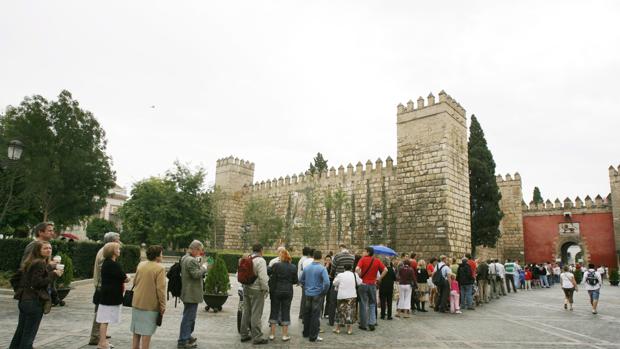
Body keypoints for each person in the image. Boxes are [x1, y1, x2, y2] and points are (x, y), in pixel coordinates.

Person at [10, 241, 62, 349]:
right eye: (45, 248)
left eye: (50, 248)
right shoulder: (40, 263)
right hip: (34, 302)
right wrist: (54, 274)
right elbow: (37, 283)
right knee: (28, 337)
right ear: (38, 251)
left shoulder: (30, 262)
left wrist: (22, 291)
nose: (48, 250)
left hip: (24, 301)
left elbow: (14, 279)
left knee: (20, 333)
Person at [89, 232, 121, 346]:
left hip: (102, 286)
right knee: (100, 313)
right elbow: (106, 272)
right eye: (117, 240)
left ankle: (101, 334)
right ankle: (96, 336)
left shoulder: (105, 251)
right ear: (112, 241)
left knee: (102, 313)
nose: (119, 242)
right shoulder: (105, 253)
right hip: (102, 287)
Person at [131, 245, 166, 349]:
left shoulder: (141, 265)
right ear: (157, 256)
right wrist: (163, 305)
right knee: (146, 332)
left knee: (136, 331)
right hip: (150, 305)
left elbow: (135, 281)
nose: (162, 255)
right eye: (161, 254)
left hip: (137, 302)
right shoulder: (160, 268)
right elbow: (160, 289)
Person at [97, 242, 130, 349]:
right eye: (118, 249)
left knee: (105, 320)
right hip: (110, 296)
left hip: (107, 294)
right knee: (105, 320)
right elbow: (124, 277)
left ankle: (103, 342)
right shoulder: (113, 264)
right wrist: (128, 277)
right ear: (113, 251)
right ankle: (102, 343)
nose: (119, 251)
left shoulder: (107, 263)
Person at [178, 240, 207, 348]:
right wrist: (204, 267)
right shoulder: (191, 260)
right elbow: (196, 275)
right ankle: (183, 340)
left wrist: (201, 265)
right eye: (200, 250)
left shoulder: (186, 258)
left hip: (188, 292)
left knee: (189, 316)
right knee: (188, 317)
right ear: (194, 249)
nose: (200, 252)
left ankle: (187, 335)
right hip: (191, 293)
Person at [240, 243, 269, 345]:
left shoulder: (247, 258)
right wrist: (266, 289)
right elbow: (263, 278)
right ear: (261, 250)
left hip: (246, 288)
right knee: (256, 313)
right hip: (257, 290)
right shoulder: (261, 260)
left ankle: (243, 334)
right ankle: (257, 337)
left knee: (246, 312)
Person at [300, 250, 330, 342]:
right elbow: (327, 283)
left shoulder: (307, 268)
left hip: (308, 293)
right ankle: (313, 336)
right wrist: (323, 292)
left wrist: (307, 287)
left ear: (313, 257)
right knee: (315, 315)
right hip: (317, 294)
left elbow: (301, 280)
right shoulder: (322, 268)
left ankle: (306, 333)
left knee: (307, 314)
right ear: (321, 257)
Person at [268, 249, 297, 342]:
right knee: (286, 311)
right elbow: (295, 281)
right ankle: (284, 335)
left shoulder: (276, 265)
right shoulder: (293, 267)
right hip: (288, 291)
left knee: (274, 311)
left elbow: (268, 271)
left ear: (281, 257)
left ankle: (272, 334)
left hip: (276, 291)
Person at [355, 247, 387, 331]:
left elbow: (357, 269)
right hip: (373, 284)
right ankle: (372, 322)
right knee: (372, 304)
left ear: (368, 252)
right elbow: (385, 270)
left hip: (363, 284)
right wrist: (379, 279)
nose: (363, 252)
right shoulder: (377, 260)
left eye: (364, 251)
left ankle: (363, 324)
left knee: (363, 304)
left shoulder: (362, 259)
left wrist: (360, 276)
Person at [328, 244, 355, 326]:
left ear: (341, 249)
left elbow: (333, 268)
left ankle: (331, 321)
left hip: (338, 281)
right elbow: (352, 268)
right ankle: (344, 321)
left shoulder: (337, 256)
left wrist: (331, 275)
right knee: (345, 303)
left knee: (332, 301)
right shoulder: (352, 257)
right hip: (348, 282)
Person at [333, 263, 361, 335]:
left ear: (344, 268)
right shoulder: (354, 275)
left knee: (340, 311)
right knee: (350, 312)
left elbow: (334, 283)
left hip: (341, 295)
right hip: (351, 295)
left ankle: (338, 329)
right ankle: (349, 329)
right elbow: (360, 282)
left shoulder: (340, 275)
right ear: (351, 268)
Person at [297, 247, 314, 320]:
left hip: (302, 280)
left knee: (304, 298)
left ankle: (302, 313)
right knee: (305, 298)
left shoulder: (302, 259)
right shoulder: (306, 260)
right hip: (306, 281)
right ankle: (304, 314)